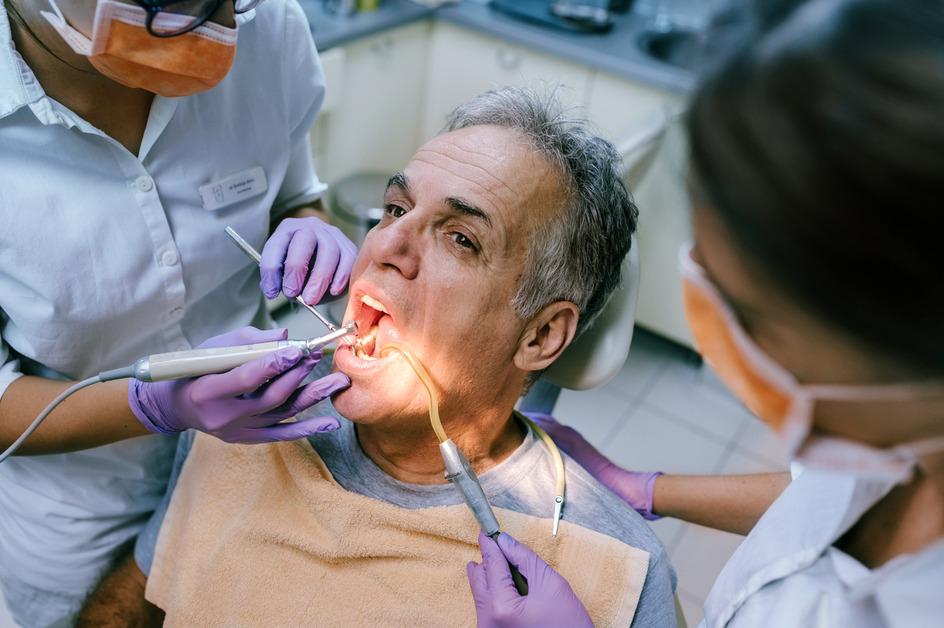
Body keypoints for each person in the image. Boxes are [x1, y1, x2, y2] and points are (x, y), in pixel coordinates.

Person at [79, 88, 679, 627]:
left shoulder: (611, 569)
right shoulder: (237, 418)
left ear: (541, 336)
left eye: (462, 239)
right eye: (395, 209)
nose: (385, 244)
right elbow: (144, 588)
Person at [467, 0, 944, 626]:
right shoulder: (898, 430)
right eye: (395, 211)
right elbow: (825, 497)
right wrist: (639, 487)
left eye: (751, 312)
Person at [0, 0, 358, 624]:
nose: (211, 25)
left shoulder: (267, 27)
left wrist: (308, 226)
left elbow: (295, 192)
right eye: (170, 2)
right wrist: (158, 405)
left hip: (246, 460)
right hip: (78, 505)